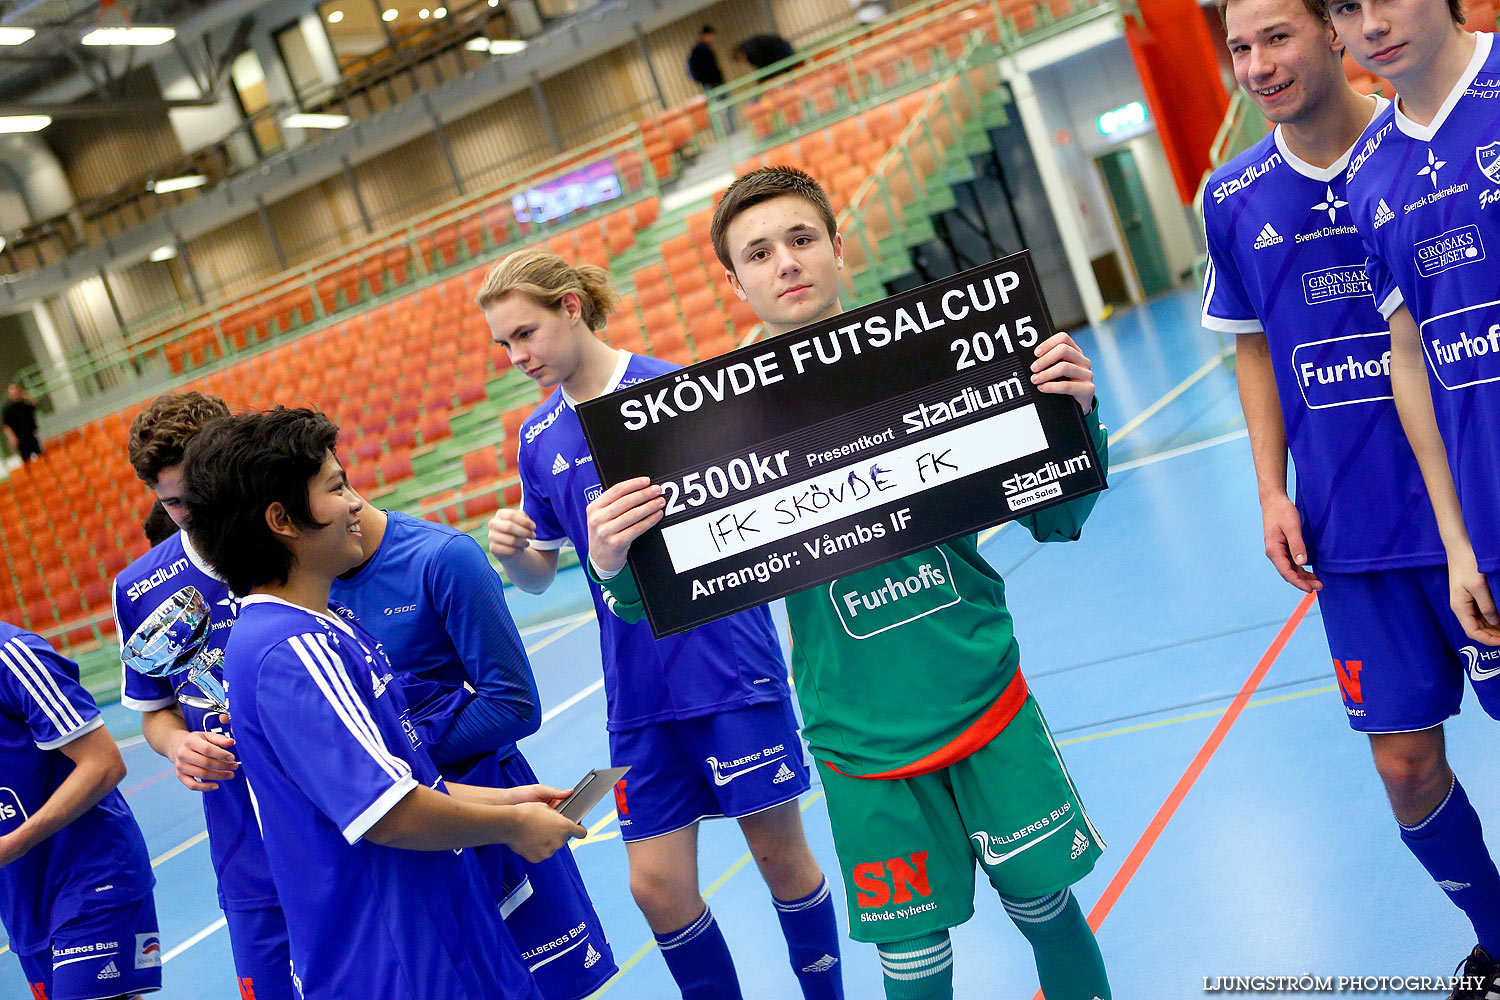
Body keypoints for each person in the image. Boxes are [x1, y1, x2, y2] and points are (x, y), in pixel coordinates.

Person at [583, 166, 1112, 1000]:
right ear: (734, 281)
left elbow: (1059, 518)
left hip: (984, 694)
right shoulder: (703, 432)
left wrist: (1075, 419)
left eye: (800, 240)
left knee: (1046, 905)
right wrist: (615, 564)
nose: (785, 263)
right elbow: (669, 604)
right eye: (759, 253)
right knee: (911, 958)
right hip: (856, 735)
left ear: (838, 246)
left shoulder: (936, 356)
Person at [1206, 1, 1500, 995]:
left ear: (1332, 37)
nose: (1259, 64)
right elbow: (1251, 342)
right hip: (1353, 531)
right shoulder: (1233, 194)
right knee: (1405, 767)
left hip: (1470, 504)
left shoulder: (1416, 138)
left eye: (1277, 36)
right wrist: (1268, 489)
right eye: (1239, 48)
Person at [480, 250, 845, 1000]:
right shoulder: (538, 436)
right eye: (504, 345)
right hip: (637, 692)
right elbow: (546, 574)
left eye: (526, 334)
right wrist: (516, 554)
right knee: (655, 886)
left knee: (779, 857)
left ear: (573, 306)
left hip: (725, 667)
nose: (517, 358)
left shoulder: (672, 393)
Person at [181, 406, 585, 1000]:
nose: (354, 504)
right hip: (396, 958)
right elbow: (388, 812)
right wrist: (511, 824)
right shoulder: (290, 650)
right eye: (336, 487)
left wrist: (508, 798)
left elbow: (401, 775)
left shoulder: (327, 626)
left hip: (439, 933)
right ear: (282, 520)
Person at [1336, 0, 1500, 989]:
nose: (1371, 20)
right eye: (1345, 7)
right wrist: (1459, 540)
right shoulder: (1371, 175)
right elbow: (1410, 357)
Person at [330, 500, 618, 999]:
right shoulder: (299, 600)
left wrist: (398, 756)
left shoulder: (441, 557)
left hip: (482, 805)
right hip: (402, 832)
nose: (349, 502)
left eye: (338, 483)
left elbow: (515, 707)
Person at [114, 391, 297, 1000]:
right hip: (247, 852)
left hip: (353, 826)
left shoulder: (300, 540)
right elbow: (155, 714)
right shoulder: (140, 588)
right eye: (172, 503)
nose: (193, 513)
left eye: (201, 494)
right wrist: (179, 746)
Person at [0, 620, 161, 1000]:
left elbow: (103, 764)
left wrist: (14, 844)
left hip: (90, 876)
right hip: (21, 896)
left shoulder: (13, 657)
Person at [3, 383, 41, 464]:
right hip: (20, 438)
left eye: (16, 390)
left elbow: (35, 404)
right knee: (27, 460)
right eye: (13, 390)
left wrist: (27, 395)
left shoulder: (24, 403)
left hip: (31, 434)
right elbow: (6, 425)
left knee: (40, 455)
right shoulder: (7, 408)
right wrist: (12, 438)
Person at [687, 25, 725, 92]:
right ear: (706, 35)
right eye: (711, 35)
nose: (712, 38)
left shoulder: (703, 48)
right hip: (711, 81)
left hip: (710, 81)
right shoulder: (700, 49)